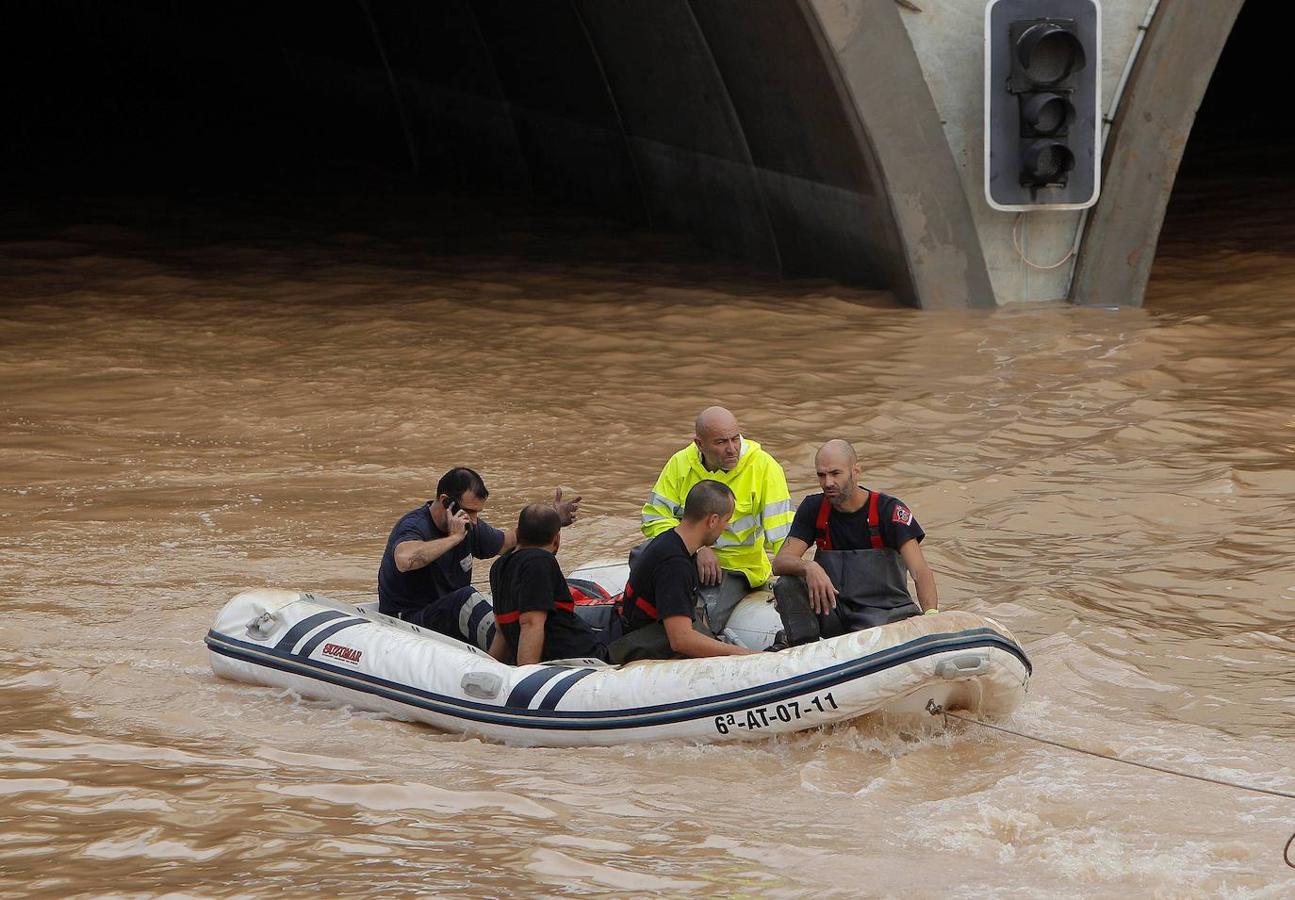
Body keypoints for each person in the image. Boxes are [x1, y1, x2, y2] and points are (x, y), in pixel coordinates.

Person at [377, 466, 580, 643]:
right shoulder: (414, 525)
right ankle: (513, 651)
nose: (474, 520)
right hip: (409, 619)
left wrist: (552, 519)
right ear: (445, 501)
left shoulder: (470, 525)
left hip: (450, 614)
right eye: (469, 511)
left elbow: (511, 540)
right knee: (467, 598)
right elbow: (404, 560)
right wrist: (454, 538)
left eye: (477, 513)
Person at [639, 406, 793, 634]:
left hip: (736, 568)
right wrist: (696, 548)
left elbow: (783, 536)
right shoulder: (679, 463)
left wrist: (791, 585)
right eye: (721, 443)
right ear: (699, 444)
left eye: (735, 439)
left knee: (702, 618)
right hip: (684, 556)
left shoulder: (765, 467)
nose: (732, 449)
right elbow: (653, 518)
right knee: (641, 561)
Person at [771, 440, 938, 645]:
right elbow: (780, 562)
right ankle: (803, 648)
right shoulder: (813, 508)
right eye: (821, 475)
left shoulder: (889, 510)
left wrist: (932, 617)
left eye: (835, 473)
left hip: (884, 614)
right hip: (835, 612)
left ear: (856, 471)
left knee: (879, 631)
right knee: (787, 583)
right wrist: (810, 567)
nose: (828, 482)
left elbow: (920, 571)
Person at [610, 480, 761, 663]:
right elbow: (681, 640)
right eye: (726, 520)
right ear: (713, 520)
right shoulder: (674, 565)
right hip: (641, 646)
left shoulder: (670, 541)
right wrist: (748, 656)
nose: (727, 527)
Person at [486, 503, 607, 665]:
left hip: (554, 656)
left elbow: (501, 632)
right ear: (556, 540)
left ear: (517, 533)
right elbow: (531, 622)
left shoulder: (498, 567)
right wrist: (525, 677)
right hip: (580, 655)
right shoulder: (539, 562)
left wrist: (490, 667)